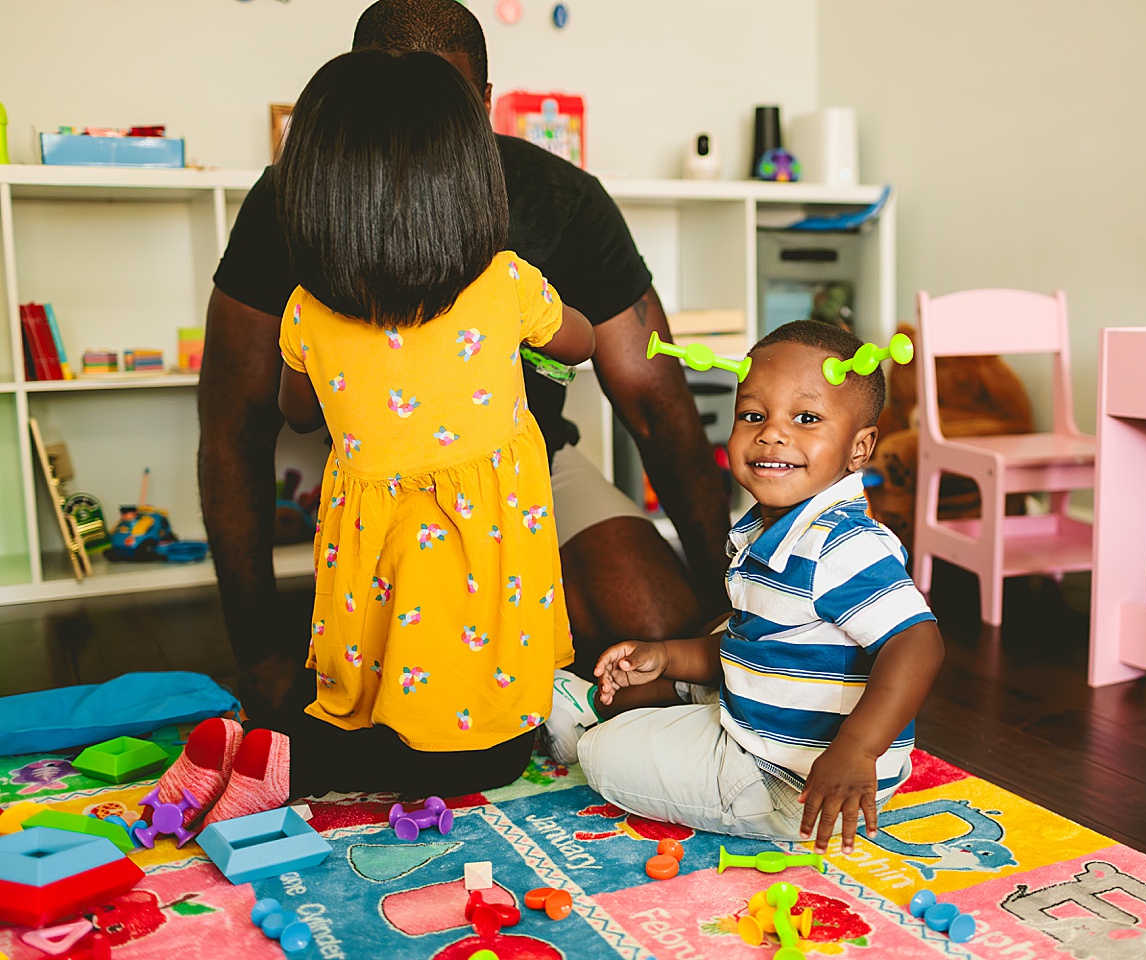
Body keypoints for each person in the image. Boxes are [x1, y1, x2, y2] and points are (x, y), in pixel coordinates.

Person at [200, 0, 731, 721]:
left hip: (527, 471)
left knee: (657, 628)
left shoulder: (561, 203)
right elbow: (236, 417)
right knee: (385, 685)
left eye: (441, 104)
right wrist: (258, 653)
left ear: (483, 104)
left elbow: (656, 405)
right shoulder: (291, 203)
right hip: (376, 483)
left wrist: (736, 620)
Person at [148, 49, 592, 827]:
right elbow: (581, 342)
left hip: (374, 566)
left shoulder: (305, 312)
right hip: (477, 569)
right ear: (470, 184)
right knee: (489, 753)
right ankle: (291, 762)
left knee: (376, 704)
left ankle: (255, 742)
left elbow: (296, 410)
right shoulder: (505, 283)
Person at [546, 321, 946, 855]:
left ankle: (589, 724)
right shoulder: (771, 528)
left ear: (859, 448)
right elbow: (757, 640)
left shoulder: (842, 545)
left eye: (806, 419)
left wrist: (856, 752)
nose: (772, 434)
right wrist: (664, 657)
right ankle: (631, 705)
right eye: (753, 415)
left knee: (601, 755)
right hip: (779, 731)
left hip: (799, 787)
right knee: (702, 647)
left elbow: (918, 643)